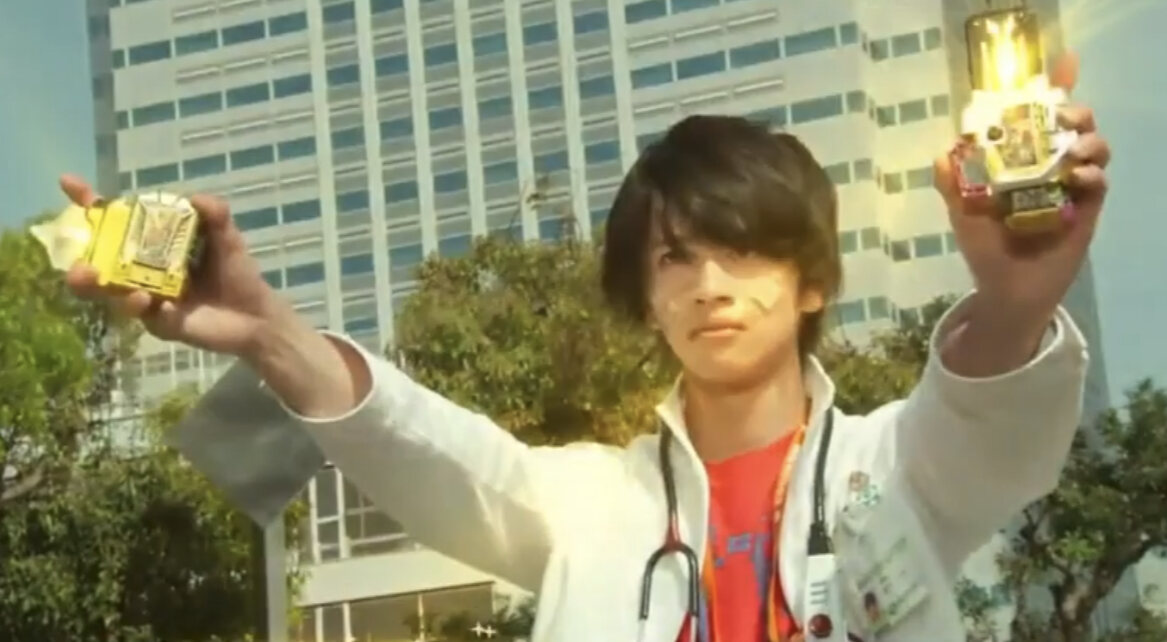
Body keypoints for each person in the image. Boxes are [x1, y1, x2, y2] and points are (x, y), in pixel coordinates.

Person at [61, 54, 1107, 642]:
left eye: (746, 251)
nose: (709, 285)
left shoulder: (896, 468)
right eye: (674, 259)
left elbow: (987, 414)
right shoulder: (588, 504)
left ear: (813, 282)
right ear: (644, 300)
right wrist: (265, 330)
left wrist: (1013, 300)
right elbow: (424, 446)